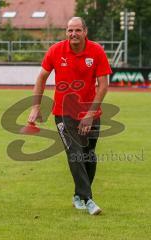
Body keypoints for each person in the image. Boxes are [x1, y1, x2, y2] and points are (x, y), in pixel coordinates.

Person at [28, 17, 112, 215]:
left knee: (88, 156)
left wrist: (90, 114)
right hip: (64, 114)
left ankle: (78, 195)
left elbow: (104, 85)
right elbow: (41, 78)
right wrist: (35, 107)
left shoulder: (97, 51)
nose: (73, 34)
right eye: (69, 30)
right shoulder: (56, 50)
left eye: (77, 30)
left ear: (85, 31)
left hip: (91, 113)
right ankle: (88, 199)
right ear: (66, 32)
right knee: (75, 154)